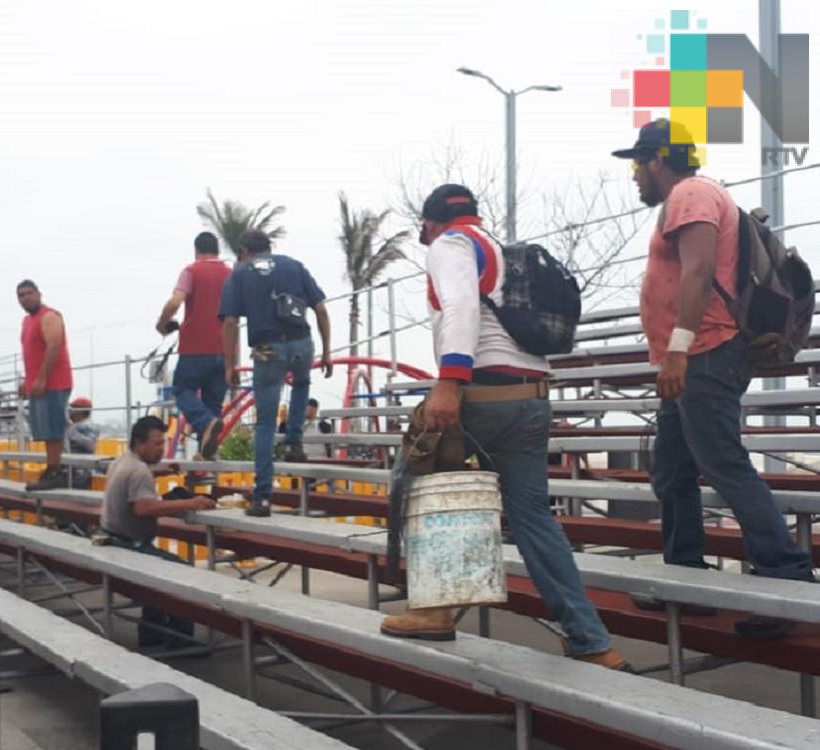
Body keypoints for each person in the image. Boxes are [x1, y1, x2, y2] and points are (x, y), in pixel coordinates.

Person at [378, 184, 629, 671]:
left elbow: (460, 309)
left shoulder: (451, 244)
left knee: (414, 487)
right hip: (532, 398)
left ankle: (433, 608)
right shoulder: (500, 250)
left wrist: (448, 383)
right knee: (534, 518)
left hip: (482, 393)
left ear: (429, 225)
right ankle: (591, 639)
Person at [611, 121, 816, 613]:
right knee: (673, 472)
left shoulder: (692, 194)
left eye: (638, 165)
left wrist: (678, 350)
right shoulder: (689, 197)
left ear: (658, 159)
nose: (635, 176)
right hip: (687, 358)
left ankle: (788, 580)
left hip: (703, 354)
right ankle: (686, 576)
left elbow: (699, 271)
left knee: (722, 463)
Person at [219, 230, 333, 517]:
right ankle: (294, 441)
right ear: (270, 247)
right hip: (301, 342)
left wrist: (229, 364)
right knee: (302, 383)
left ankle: (263, 497)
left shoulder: (241, 273)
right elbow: (320, 309)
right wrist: (327, 351)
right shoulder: (294, 265)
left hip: (266, 347)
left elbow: (230, 321)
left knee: (265, 424)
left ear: (244, 251)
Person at [100, 416, 215, 648]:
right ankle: (180, 640)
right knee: (181, 571)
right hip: (129, 544)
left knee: (157, 574)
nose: (162, 449)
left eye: (163, 443)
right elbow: (143, 507)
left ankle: (151, 634)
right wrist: (189, 503)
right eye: (157, 444)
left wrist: (160, 473)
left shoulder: (121, 461)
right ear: (140, 443)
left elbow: (137, 483)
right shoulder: (139, 471)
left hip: (111, 539)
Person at [154, 231, 232, 459]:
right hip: (226, 349)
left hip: (196, 347)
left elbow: (176, 301)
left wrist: (162, 323)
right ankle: (205, 453)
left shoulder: (191, 271)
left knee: (182, 389)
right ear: (217, 250)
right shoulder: (231, 274)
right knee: (213, 401)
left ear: (196, 250)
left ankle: (205, 424)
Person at [16, 280, 74, 491]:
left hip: (54, 382)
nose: (25, 298)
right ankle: (52, 467)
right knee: (43, 428)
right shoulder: (26, 321)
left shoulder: (49, 316)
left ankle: (55, 470)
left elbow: (54, 347)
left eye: (29, 293)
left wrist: (41, 378)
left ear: (39, 294)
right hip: (38, 383)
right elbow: (33, 354)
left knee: (53, 427)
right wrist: (27, 381)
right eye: (21, 295)